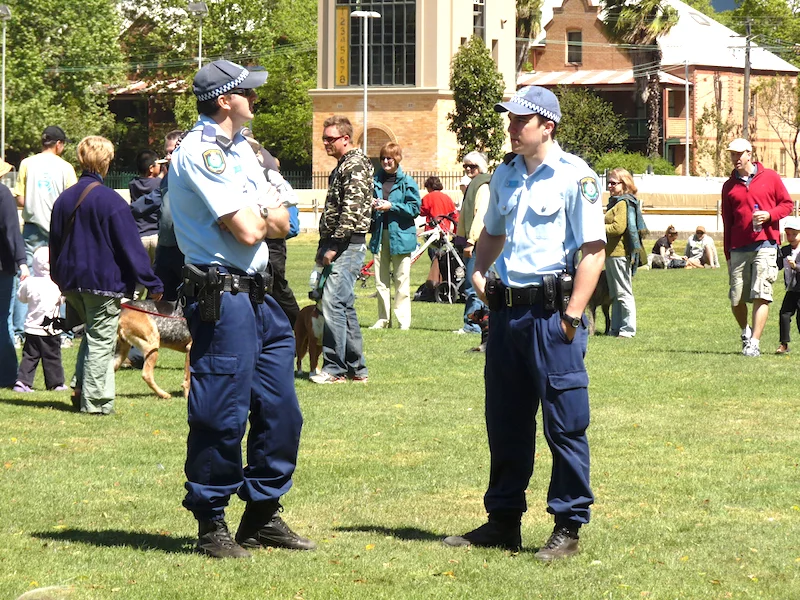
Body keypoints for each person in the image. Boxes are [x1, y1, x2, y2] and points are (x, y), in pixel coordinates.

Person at [443, 85, 605, 561]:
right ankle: (503, 521)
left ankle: (568, 526)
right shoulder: (506, 176)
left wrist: (572, 316)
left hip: (553, 316)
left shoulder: (576, 177)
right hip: (507, 316)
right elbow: (492, 234)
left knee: (564, 422)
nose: (511, 128)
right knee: (506, 422)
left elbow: (592, 252)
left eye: (520, 121)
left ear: (546, 126)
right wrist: (476, 273)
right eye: (509, 120)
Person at [169, 59, 314, 558]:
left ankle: (263, 513)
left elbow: (287, 213)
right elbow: (253, 228)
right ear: (225, 99)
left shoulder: (244, 152)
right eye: (248, 91)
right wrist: (272, 218)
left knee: (281, 409)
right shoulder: (201, 152)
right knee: (221, 411)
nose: (256, 98)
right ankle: (211, 521)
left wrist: (272, 217)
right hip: (221, 295)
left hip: (259, 293)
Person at [49, 136, 163, 415]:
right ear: (106, 163)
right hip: (101, 281)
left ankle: (79, 387)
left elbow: (53, 241)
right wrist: (152, 281)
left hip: (71, 281)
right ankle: (97, 402)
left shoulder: (65, 198)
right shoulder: (110, 201)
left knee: (92, 335)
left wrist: (58, 278)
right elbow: (130, 246)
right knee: (101, 339)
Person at [310, 115, 372, 384]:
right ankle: (356, 369)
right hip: (342, 243)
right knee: (343, 305)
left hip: (347, 245)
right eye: (324, 138)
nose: (325, 143)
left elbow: (352, 210)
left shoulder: (355, 165)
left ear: (346, 139)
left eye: (330, 138)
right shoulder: (345, 165)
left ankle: (334, 369)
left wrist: (333, 246)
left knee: (332, 303)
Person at [722, 138, 793, 357]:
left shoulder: (770, 177)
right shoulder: (728, 186)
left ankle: (754, 342)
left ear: (749, 154)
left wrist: (770, 215)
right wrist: (727, 255)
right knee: (736, 298)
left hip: (766, 244)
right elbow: (727, 222)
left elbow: (787, 204)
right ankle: (745, 331)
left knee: (762, 293)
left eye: (738, 154)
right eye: (732, 154)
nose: (735, 158)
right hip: (738, 247)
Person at [12, 126, 77, 344]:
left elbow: (20, 198)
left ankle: (21, 332)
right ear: (59, 144)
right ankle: (63, 332)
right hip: (57, 230)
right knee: (60, 279)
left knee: (26, 277)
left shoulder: (27, 163)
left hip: (31, 228)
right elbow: (72, 201)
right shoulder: (66, 168)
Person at [241, 127, 302, 328]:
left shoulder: (269, 175)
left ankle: (298, 325)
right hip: (249, 238)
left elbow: (291, 198)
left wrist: (266, 205)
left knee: (277, 286)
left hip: (273, 240)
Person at [369, 142, 421, 330]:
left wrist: (392, 206)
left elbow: (415, 209)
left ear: (397, 158)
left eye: (389, 158)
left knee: (401, 280)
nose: (385, 161)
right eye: (382, 158)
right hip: (379, 234)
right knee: (380, 281)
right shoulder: (375, 180)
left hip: (400, 236)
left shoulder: (407, 182)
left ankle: (402, 320)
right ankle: (383, 319)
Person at [13, 246, 67, 393]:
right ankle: (55, 383)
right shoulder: (57, 284)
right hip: (50, 329)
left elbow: (21, 298)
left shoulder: (29, 283)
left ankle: (22, 382)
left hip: (31, 328)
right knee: (52, 357)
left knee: (29, 356)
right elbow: (62, 299)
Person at [604, 168, 645, 338]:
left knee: (623, 292)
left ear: (624, 184)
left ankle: (628, 330)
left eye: (614, 183)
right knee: (615, 294)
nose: (610, 185)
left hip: (619, 254)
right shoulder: (615, 202)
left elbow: (617, 228)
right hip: (611, 254)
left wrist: (598, 227)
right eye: (609, 182)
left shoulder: (623, 203)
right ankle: (616, 328)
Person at [453, 151, 490, 334]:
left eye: (472, 166)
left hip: (479, 242)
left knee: (474, 284)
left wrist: (471, 241)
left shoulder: (483, 186)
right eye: (465, 166)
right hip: (473, 241)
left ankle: (472, 325)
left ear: (480, 168)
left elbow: (481, 216)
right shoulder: (473, 185)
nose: (468, 169)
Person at [0, 159, 27, 388]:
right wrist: (22, 262)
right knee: (2, 322)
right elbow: (12, 232)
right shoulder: (3, 195)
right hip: (2, 267)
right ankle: (8, 375)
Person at [153, 130, 186, 301]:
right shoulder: (166, 177)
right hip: (165, 248)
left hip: (183, 249)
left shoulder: (188, 174)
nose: (168, 156)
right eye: (167, 151)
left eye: (172, 151)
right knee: (162, 299)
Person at [128, 149, 164, 264]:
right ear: (151, 168)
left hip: (140, 235)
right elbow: (159, 184)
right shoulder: (159, 184)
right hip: (156, 235)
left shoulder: (133, 183)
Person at [775, 217, 800, 354]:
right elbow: (778, 265)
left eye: (794, 234)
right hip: (791, 289)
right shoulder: (785, 250)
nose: (791, 237)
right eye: (788, 234)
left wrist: (795, 266)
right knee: (784, 314)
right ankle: (784, 344)